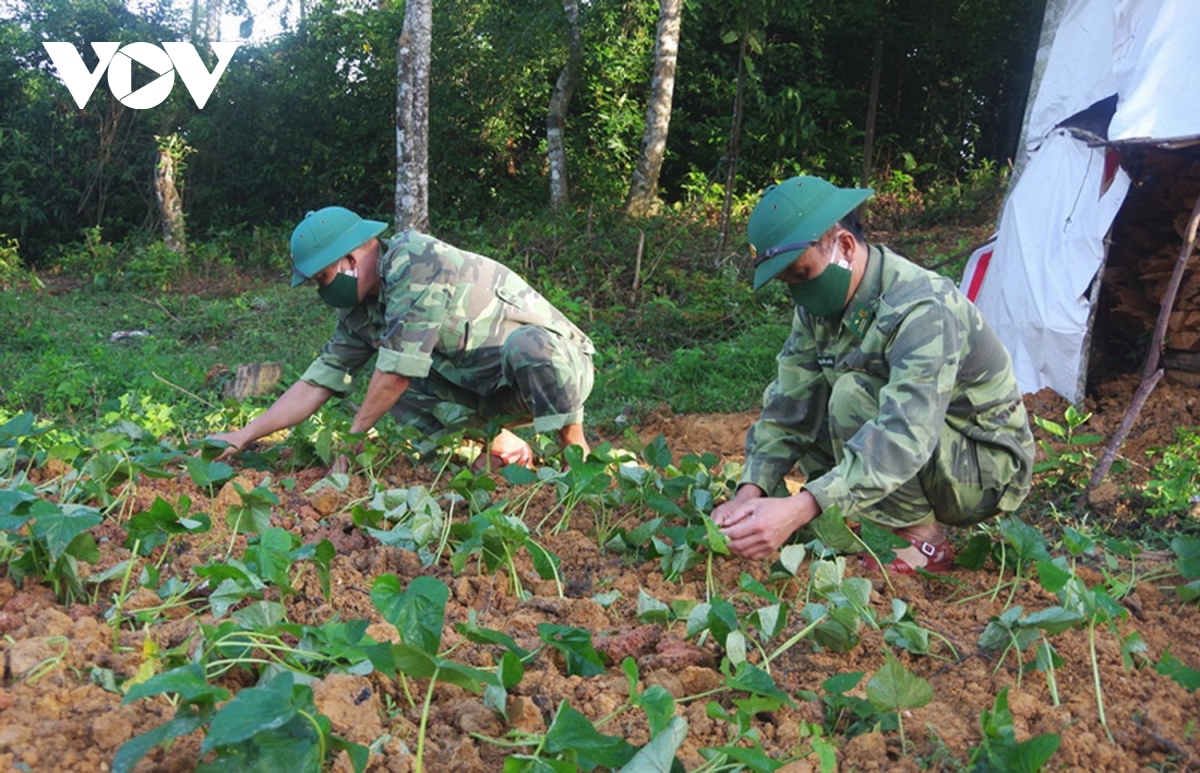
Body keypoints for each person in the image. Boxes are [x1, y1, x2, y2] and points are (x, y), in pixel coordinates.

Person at [711, 176, 1035, 573]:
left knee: (850, 395)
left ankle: (921, 541)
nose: (797, 293)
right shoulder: (818, 305)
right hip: (929, 456)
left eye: (800, 274)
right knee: (815, 400)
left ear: (844, 245)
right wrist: (751, 489)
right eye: (786, 283)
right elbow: (789, 404)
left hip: (982, 468)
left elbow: (906, 433)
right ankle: (875, 520)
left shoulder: (924, 307)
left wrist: (801, 506)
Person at [210, 206, 595, 469]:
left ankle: (576, 454)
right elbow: (319, 380)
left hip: (556, 369)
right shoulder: (362, 311)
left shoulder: (415, 260)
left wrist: (353, 439)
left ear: (349, 260)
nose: (321, 291)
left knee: (527, 346)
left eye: (322, 279)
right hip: (488, 390)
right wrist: (244, 435)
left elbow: (397, 372)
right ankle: (504, 444)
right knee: (401, 400)